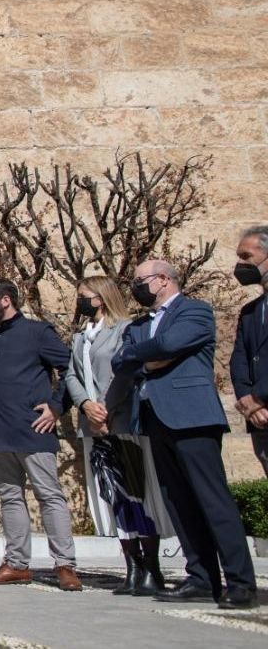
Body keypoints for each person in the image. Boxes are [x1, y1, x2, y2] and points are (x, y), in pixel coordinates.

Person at [113, 259, 258, 609]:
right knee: (178, 502)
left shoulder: (196, 311)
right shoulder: (138, 325)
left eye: (140, 281)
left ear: (163, 280)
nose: (135, 286)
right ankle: (201, 577)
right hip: (152, 418)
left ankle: (240, 582)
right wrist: (148, 357)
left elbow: (171, 344)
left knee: (212, 499)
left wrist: (144, 356)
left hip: (191, 417)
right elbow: (121, 361)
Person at [0, 277, 80, 590]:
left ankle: (65, 565)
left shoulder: (37, 332)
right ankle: (16, 563)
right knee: (10, 497)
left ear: (5, 300)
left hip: (32, 428)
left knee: (49, 495)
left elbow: (69, 368)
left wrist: (57, 407)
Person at [63, 275, 169, 596]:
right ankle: (131, 566)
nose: (80, 301)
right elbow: (71, 374)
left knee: (137, 492)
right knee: (114, 497)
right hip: (93, 426)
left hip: (120, 421)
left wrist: (105, 409)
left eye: (85, 295)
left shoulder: (125, 330)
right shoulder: (81, 337)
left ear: (101, 297)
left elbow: (127, 371)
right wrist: (85, 405)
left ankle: (152, 567)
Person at [229, 225, 268, 476]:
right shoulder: (251, 311)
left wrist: (259, 397)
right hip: (259, 418)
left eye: (247, 257)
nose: (240, 264)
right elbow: (239, 357)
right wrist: (246, 399)